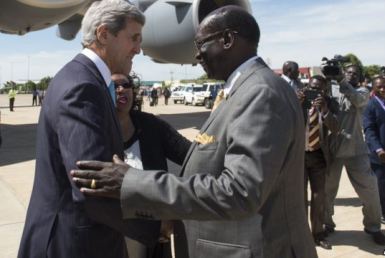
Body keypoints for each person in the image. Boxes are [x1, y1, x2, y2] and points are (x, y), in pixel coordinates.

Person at [72, 6, 317, 258]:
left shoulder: (260, 93)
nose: (197, 56)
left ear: (227, 40)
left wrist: (132, 181)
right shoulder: (245, 90)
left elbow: (240, 192)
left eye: (201, 44)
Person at [18, 1, 159, 258]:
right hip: (71, 245)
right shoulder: (82, 87)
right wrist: (155, 226)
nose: (139, 49)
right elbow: (91, 186)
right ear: (104, 34)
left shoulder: (88, 80)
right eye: (134, 38)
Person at [112, 73, 191, 257]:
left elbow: (192, 156)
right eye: (114, 85)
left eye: (126, 84)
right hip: (113, 237)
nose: (121, 89)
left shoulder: (152, 125)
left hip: (155, 239)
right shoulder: (96, 132)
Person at [324, 64, 385, 245]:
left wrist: (343, 82)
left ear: (359, 76)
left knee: (370, 189)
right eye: (347, 72)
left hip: (356, 150)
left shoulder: (363, 91)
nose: (350, 75)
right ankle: (327, 224)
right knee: (327, 191)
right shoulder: (334, 89)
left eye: (354, 73)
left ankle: (373, 226)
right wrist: (329, 81)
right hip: (333, 149)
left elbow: (358, 101)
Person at [297, 75, 339, 250]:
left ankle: (318, 233)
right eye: (313, 87)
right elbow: (283, 121)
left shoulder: (331, 103)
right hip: (298, 156)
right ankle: (301, 234)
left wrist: (324, 110)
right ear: (308, 87)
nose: (316, 91)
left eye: (320, 89)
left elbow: (336, 128)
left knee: (318, 196)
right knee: (300, 197)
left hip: (319, 157)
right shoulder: (299, 100)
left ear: (326, 89)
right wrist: (296, 104)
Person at [363, 75, 385, 223]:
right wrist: (378, 149)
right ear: (373, 88)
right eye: (379, 87)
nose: (383, 89)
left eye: (384, 86)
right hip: (380, 155)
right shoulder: (370, 105)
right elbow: (369, 130)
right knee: (381, 186)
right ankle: (382, 213)